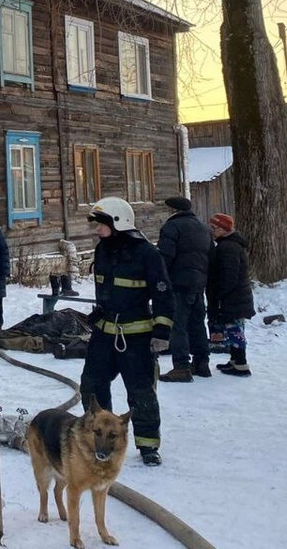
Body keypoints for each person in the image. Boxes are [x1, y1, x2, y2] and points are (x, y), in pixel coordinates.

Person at [80, 197, 174, 466]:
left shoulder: (146, 253)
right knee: (92, 386)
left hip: (135, 337)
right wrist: (99, 311)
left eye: (101, 225)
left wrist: (161, 331)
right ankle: (97, 438)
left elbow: (164, 294)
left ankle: (148, 446)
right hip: (104, 334)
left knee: (140, 391)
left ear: (118, 223)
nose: (97, 230)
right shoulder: (103, 250)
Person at [156, 196, 214, 383]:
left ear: (172, 210)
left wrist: (158, 278)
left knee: (177, 326)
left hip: (178, 283)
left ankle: (181, 366)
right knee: (197, 324)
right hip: (198, 284)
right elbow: (210, 256)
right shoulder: (204, 228)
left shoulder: (171, 227)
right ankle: (201, 362)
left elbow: (165, 256)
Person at [205, 213, 255, 376]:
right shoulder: (230, 245)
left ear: (223, 229)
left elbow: (229, 275)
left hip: (233, 297)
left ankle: (241, 364)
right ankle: (235, 359)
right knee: (233, 327)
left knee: (234, 329)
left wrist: (220, 294)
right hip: (235, 296)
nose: (212, 231)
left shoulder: (228, 247)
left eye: (214, 228)